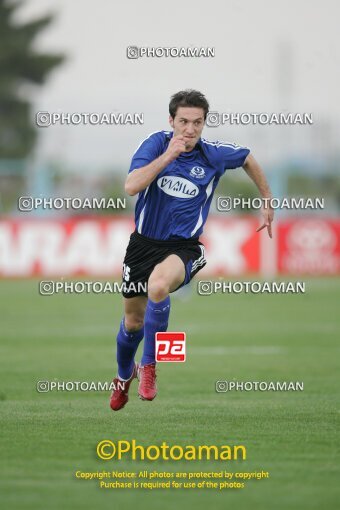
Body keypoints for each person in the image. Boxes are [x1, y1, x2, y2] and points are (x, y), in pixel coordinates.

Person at [110, 89, 273, 411]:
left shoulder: (213, 154)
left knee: (158, 286)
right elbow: (131, 186)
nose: (189, 129)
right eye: (183, 121)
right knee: (132, 323)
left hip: (184, 247)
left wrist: (267, 199)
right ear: (171, 120)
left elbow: (247, 158)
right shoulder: (155, 144)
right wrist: (169, 156)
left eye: (197, 122)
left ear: (204, 124)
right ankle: (122, 376)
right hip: (142, 245)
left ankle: (150, 368)